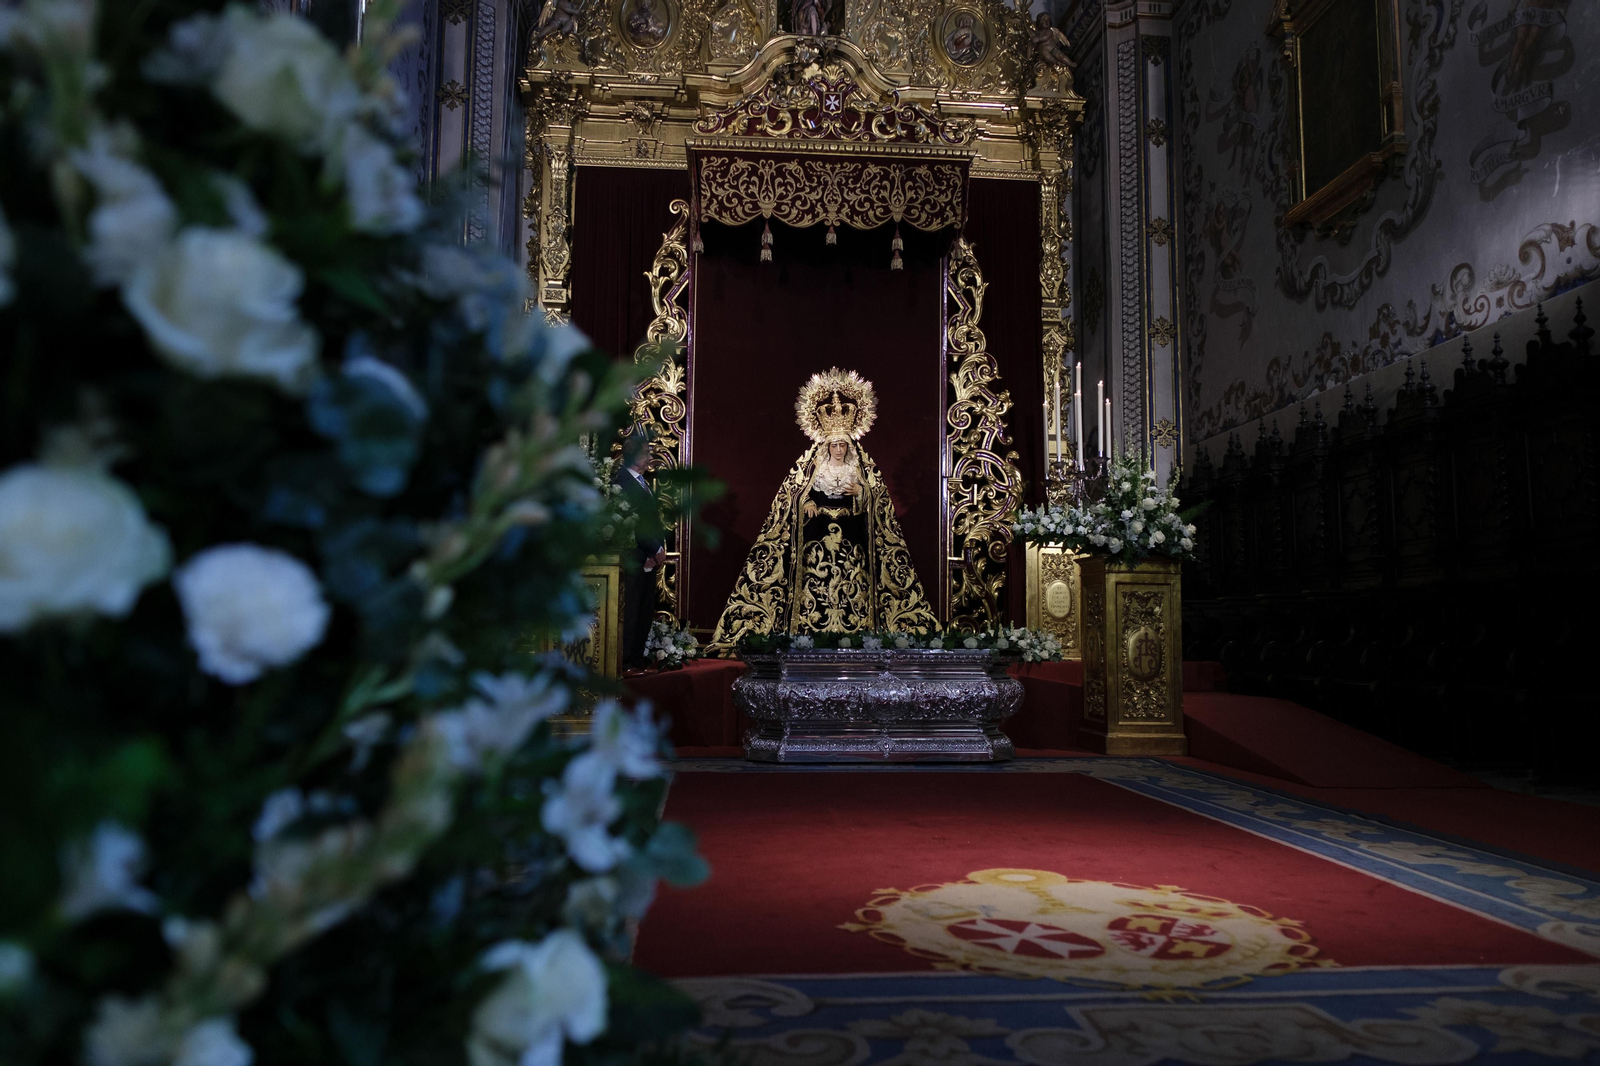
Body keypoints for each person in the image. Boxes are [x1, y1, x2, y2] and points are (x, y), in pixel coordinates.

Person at [708, 368, 937, 651]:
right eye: (834, 444)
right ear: (826, 445)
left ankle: (856, 636)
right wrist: (808, 502)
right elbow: (794, 495)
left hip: (852, 538)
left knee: (851, 583)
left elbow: (879, 504)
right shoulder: (814, 468)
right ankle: (809, 635)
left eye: (843, 444)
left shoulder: (861, 469)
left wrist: (862, 494)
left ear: (849, 445)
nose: (838, 449)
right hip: (816, 537)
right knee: (816, 582)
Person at [614, 436, 666, 667]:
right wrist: (654, 548)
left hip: (647, 557)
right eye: (646, 452)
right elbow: (633, 522)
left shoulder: (643, 483)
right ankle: (626, 661)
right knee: (632, 609)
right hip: (633, 557)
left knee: (644, 610)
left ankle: (636, 657)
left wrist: (659, 548)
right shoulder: (622, 481)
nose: (650, 457)